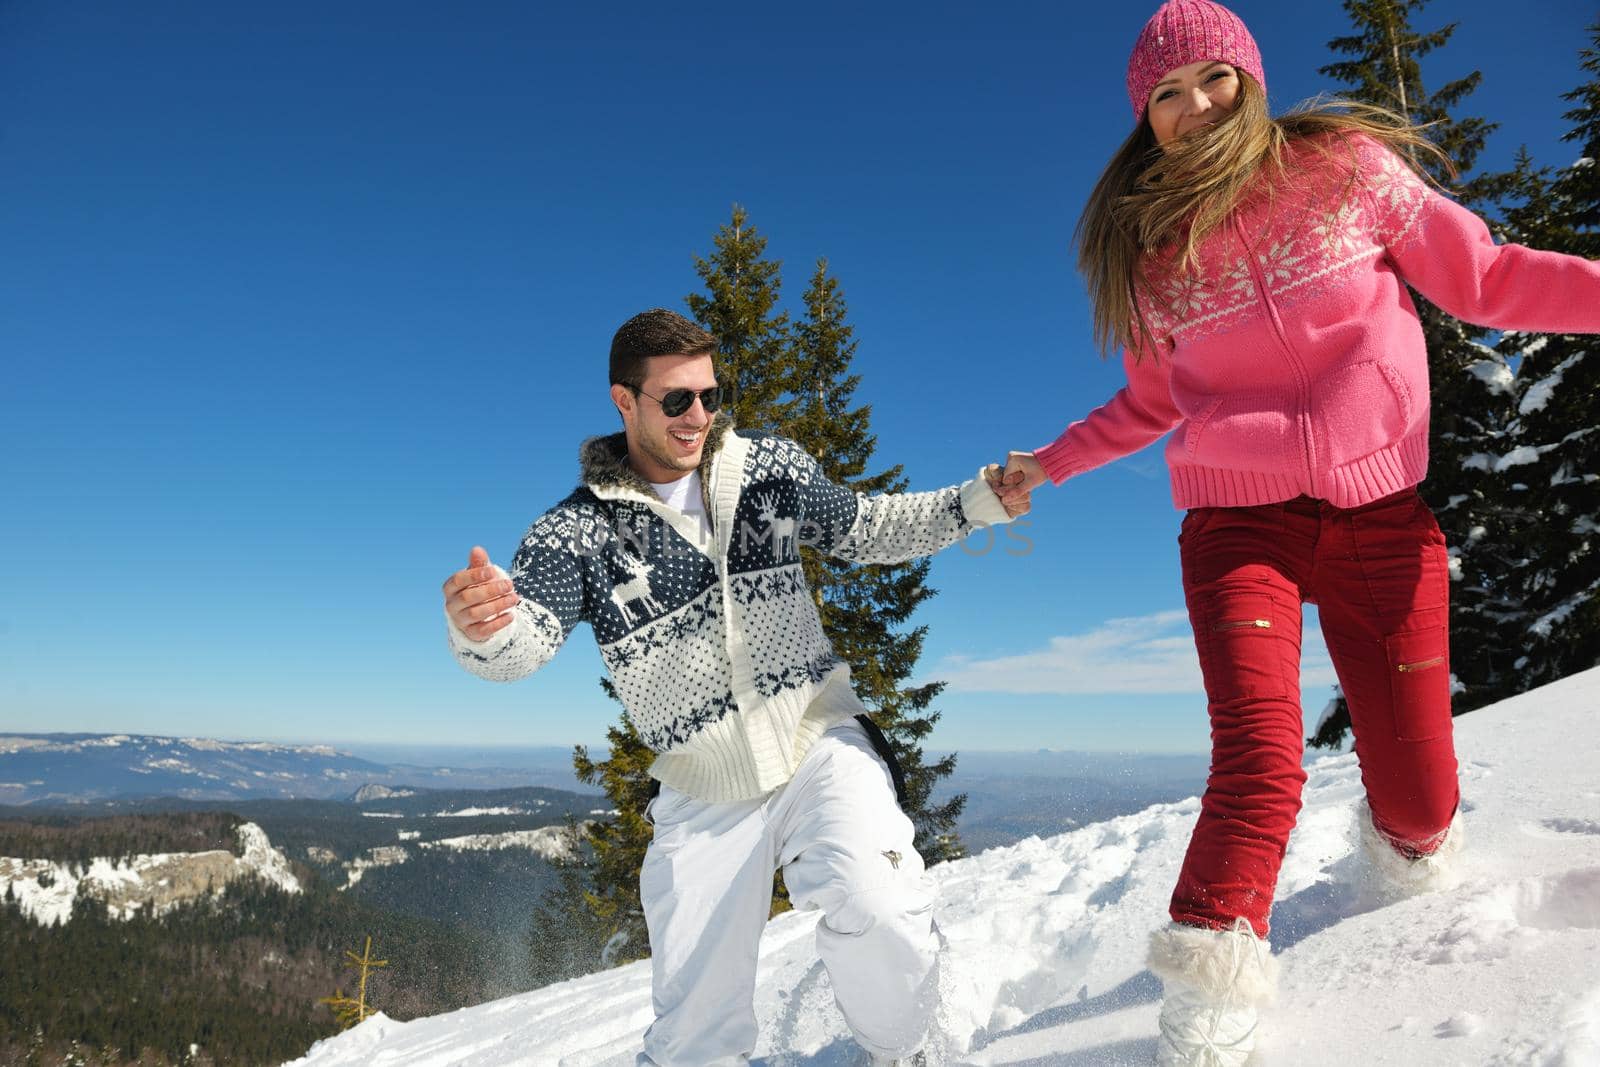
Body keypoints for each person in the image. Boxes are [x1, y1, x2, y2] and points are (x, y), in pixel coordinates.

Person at [989, 2, 1600, 1063]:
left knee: (1416, 808)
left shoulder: (1348, 171)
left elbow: (1489, 279)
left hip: (1380, 518)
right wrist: (1052, 461)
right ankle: (1208, 1000)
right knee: (1260, 752)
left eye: (1209, 80)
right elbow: (1152, 399)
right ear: (1145, 119)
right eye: (1163, 98)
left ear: (1250, 78)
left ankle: (1403, 848)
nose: (1191, 109)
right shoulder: (1156, 251)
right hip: (1237, 522)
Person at [442, 308, 1028, 1066]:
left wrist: (976, 500)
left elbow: (869, 526)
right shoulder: (575, 533)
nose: (699, 417)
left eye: (710, 397)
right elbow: (523, 645)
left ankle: (910, 1054)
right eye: (677, 400)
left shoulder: (768, 471)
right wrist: (479, 629)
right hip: (703, 783)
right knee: (695, 1037)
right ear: (625, 401)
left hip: (815, 735)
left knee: (877, 905)